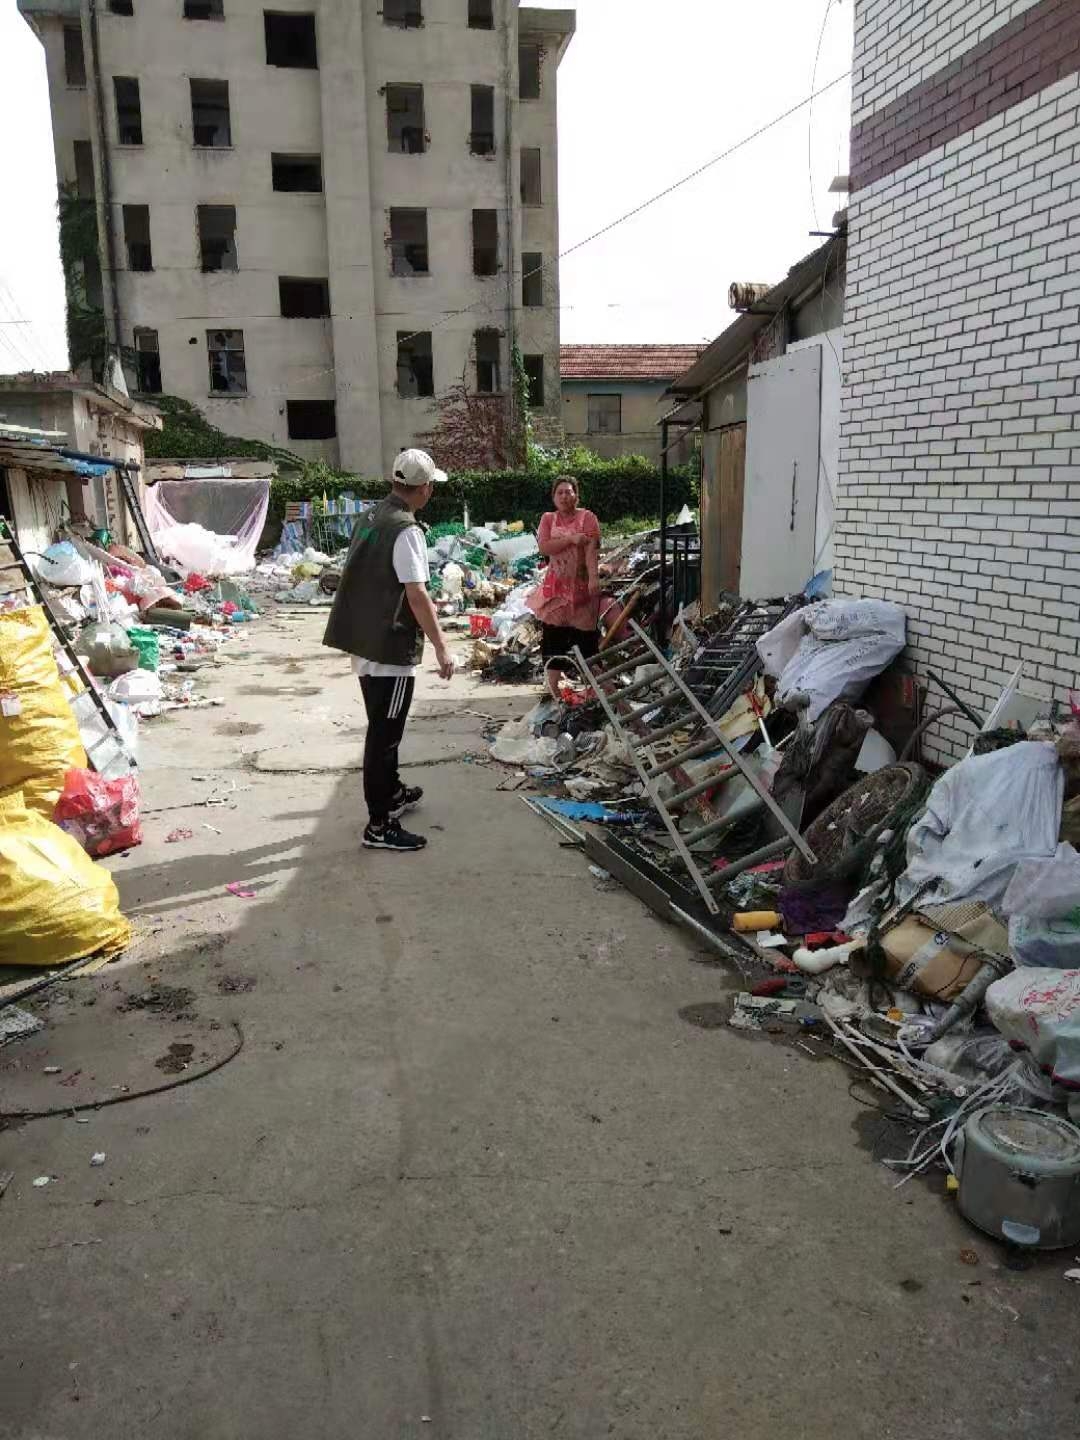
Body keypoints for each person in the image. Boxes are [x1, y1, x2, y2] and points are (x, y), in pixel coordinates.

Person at [323, 448, 454, 853]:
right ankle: (379, 824)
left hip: (363, 640)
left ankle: (392, 793)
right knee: (385, 736)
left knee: (381, 727)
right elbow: (416, 594)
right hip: (388, 646)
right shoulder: (406, 530)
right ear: (425, 488)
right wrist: (442, 647)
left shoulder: (372, 516)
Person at [526, 476, 601, 695]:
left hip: (581, 590)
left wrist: (594, 578)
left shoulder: (588, 518)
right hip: (556, 590)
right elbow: (544, 547)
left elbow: (591, 550)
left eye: (569, 492)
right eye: (560, 493)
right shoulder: (548, 519)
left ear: (576, 495)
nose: (564, 496)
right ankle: (553, 693)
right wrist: (570, 539)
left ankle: (596, 692)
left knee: (587, 644)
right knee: (553, 641)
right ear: (553, 497)